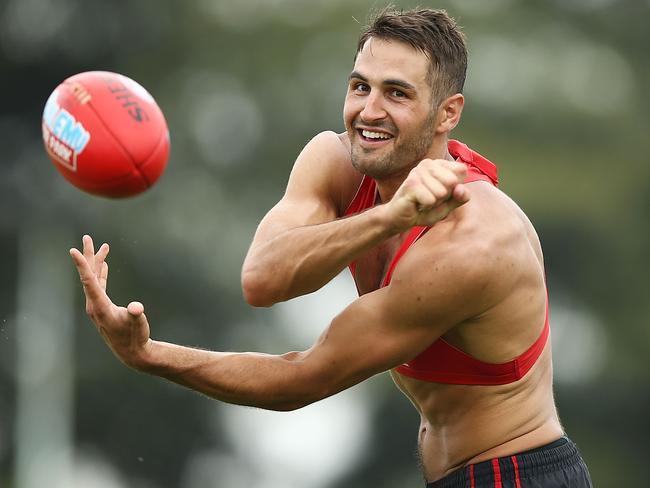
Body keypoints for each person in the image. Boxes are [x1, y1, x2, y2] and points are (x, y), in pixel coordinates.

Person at [70, 7, 593, 488]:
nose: (369, 111)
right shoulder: (335, 161)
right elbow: (263, 281)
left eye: (397, 93)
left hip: (519, 477)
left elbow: (304, 378)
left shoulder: (471, 244)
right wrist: (389, 217)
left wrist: (149, 355)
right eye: (360, 86)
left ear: (447, 113)